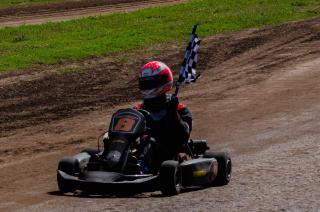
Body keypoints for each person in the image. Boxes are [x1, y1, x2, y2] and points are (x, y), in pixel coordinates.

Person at [134, 61, 192, 173]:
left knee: (149, 140)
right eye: (144, 83)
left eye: (150, 83)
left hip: (166, 157)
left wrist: (173, 113)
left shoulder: (180, 109)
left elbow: (183, 137)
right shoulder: (137, 110)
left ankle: (140, 167)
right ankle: (110, 161)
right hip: (138, 151)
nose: (147, 87)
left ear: (163, 81)